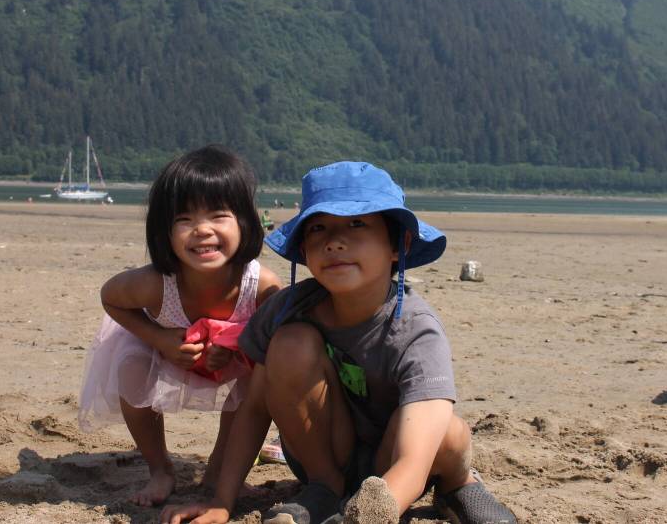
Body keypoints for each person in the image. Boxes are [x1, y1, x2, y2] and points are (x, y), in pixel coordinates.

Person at [162, 161, 516, 524]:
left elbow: (412, 459)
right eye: (318, 228)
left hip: (395, 459)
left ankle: (459, 486)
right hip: (325, 453)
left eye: (357, 224)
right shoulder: (287, 310)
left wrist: (366, 514)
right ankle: (325, 488)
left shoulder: (416, 330)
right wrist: (222, 501)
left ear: (399, 243)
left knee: (449, 432)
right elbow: (254, 408)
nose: (334, 242)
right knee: (291, 343)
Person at [78, 145, 281, 506]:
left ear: (246, 222)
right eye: (184, 220)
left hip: (233, 356)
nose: (202, 230)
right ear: (163, 232)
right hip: (164, 348)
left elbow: (275, 336)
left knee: (257, 383)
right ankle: (160, 468)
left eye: (219, 215)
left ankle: (222, 469)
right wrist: (158, 338)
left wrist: (236, 345)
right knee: (131, 365)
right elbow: (110, 297)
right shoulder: (156, 282)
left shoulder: (262, 285)